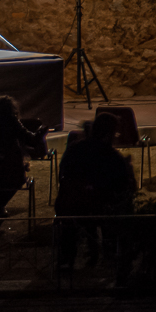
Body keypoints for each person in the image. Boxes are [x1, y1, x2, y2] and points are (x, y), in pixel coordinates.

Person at [55, 112, 137, 270]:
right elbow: (122, 186)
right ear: (110, 134)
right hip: (101, 207)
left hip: (71, 206)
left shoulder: (74, 149)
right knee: (120, 205)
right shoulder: (113, 157)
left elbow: (63, 175)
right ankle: (112, 251)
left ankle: (67, 257)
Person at [0, 94, 49, 217]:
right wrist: (41, 132)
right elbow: (31, 140)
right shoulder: (11, 121)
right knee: (12, 179)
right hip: (11, 173)